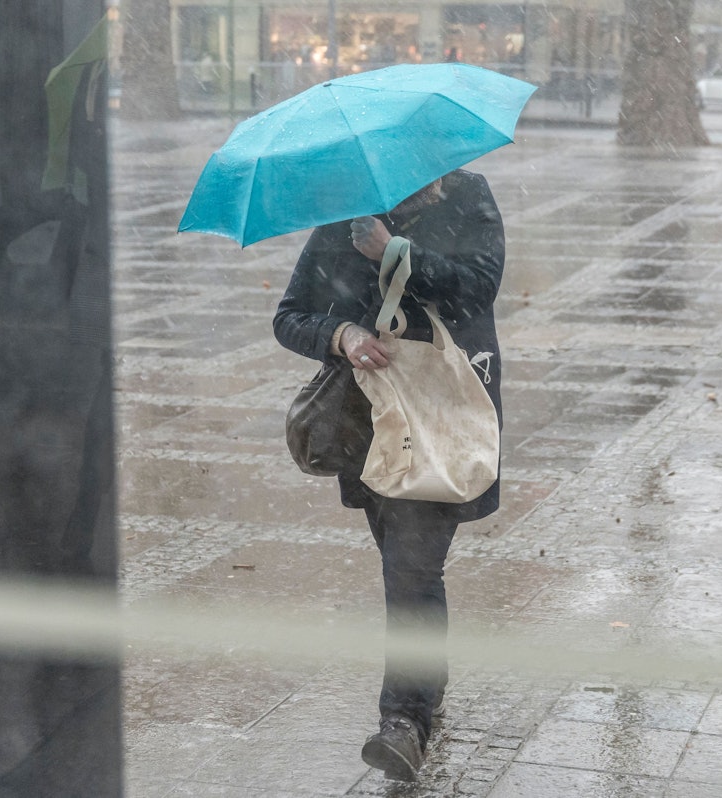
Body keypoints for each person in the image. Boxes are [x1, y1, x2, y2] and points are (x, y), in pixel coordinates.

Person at [273, 170, 505, 781]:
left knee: (412, 567)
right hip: (370, 426)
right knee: (408, 569)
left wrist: (395, 253)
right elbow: (290, 315)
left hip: (446, 415)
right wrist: (341, 335)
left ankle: (403, 722)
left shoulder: (467, 195)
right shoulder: (345, 213)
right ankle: (426, 675)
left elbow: (478, 289)